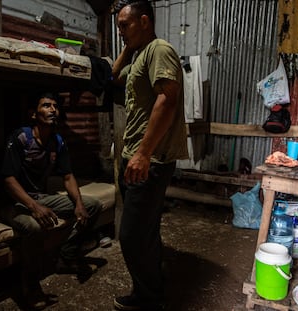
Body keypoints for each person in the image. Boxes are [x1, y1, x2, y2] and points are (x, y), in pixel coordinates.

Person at [111, 1, 188, 310]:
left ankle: (148, 297)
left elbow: (167, 99)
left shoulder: (159, 49)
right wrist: (129, 47)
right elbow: (114, 77)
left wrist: (143, 153)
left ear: (144, 21)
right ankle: (153, 286)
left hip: (148, 161)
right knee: (146, 231)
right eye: (118, 27)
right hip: (134, 158)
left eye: (124, 26)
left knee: (130, 237)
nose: (120, 33)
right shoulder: (140, 54)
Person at [0, 91, 101, 310]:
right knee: (35, 227)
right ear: (33, 114)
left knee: (93, 205)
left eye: (55, 106)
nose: (52, 109)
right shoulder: (21, 138)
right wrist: (34, 207)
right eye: (46, 105)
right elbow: (8, 180)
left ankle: (66, 256)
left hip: (40, 198)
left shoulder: (57, 141)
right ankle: (31, 285)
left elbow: (68, 176)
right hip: (12, 202)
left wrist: (79, 205)